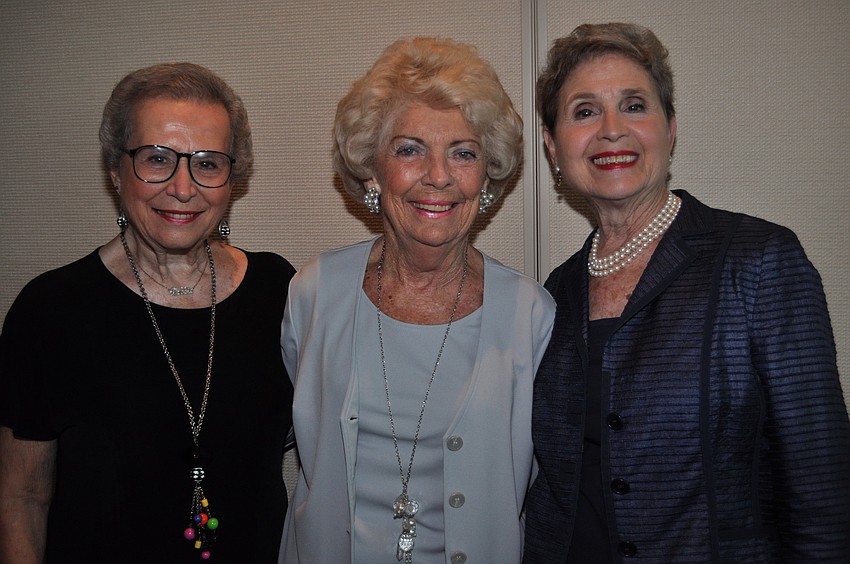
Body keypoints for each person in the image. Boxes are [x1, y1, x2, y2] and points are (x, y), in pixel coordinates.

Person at [523, 22, 850, 562]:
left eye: (634, 105)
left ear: (669, 129)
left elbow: (821, 485)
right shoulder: (553, 294)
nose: (611, 130)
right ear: (553, 147)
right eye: (584, 111)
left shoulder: (758, 259)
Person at [0, 62, 296, 563]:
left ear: (231, 178)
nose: (182, 188)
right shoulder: (51, 310)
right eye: (157, 159)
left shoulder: (280, 291)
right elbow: (22, 498)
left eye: (207, 163)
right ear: (116, 169)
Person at [279, 37, 555, 563]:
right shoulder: (313, 292)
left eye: (463, 152)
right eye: (409, 149)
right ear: (371, 170)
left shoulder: (531, 314)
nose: (438, 176)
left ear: (488, 174)